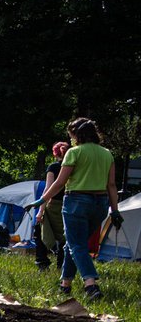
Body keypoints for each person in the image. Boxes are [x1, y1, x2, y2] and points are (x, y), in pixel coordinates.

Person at [26, 117, 120, 301]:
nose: (71, 140)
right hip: (100, 204)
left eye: (71, 136)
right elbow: (111, 185)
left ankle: (90, 285)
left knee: (78, 244)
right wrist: (115, 210)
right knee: (73, 243)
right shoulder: (107, 153)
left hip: (76, 201)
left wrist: (41, 201)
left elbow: (60, 182)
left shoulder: (74, 153)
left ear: (77, 135)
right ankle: (65, 285)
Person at [34, 141, 69, 271]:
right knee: (64, 237)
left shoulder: (53, 167)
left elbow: (48, 189)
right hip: (68, 203)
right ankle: (62, 266)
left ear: (55, 154)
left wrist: (40, 211)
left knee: (40, 231)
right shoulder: (73, 167)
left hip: (53, 204)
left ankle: (42, 263)